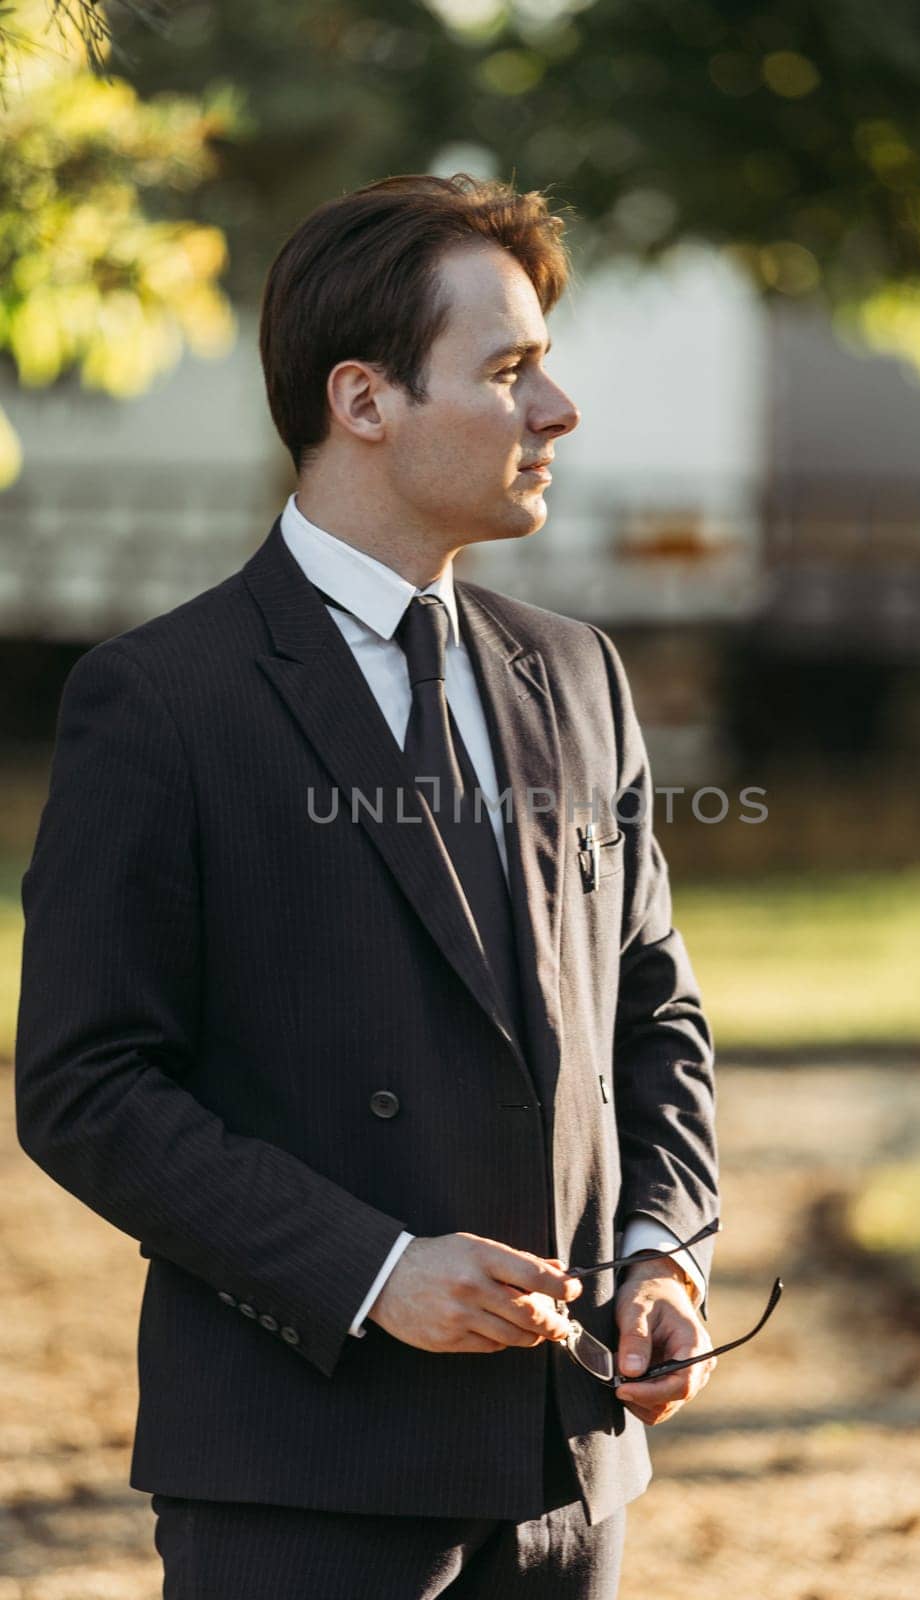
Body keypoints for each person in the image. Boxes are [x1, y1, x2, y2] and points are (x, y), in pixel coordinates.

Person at [14, 173, 718, 1599]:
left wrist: (662, 1248)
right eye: (511, 370)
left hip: (568, 1462)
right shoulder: (160, 700)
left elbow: (655, 1012)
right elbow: (86, 1082)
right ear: (364, 399)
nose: (556, 412)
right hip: (301, 1470)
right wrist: (371, 1268)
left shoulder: (578, 676)